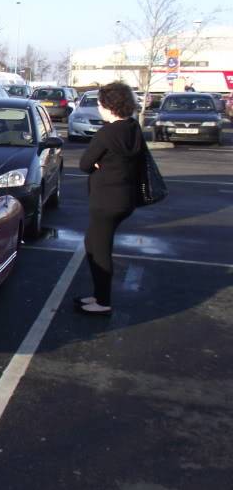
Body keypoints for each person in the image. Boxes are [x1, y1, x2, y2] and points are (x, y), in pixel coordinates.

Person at [76, 82, 145, 315]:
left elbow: (85, 164)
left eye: (99, 103)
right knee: (92, 243)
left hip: (106, 201)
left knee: (99, 249)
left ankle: (102, 301)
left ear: (109, 105)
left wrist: (98, 163)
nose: (98, 107)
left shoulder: (107, 133)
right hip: (125, 198)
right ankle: (98, 295)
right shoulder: (133, 128)